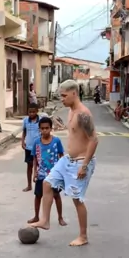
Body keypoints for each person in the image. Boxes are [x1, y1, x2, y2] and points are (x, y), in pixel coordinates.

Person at [32, 79, 98, 247]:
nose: (61, 99)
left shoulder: (83, 114)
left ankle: (83, 236)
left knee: (77, 199)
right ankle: (45, 220)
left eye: (64, 96)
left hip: (81, 161)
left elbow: (94, 140)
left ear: (74, 93)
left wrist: (84, 166)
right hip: (68, 159)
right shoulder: (70, 111)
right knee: (47, 183)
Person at [28, 117, 67, 227]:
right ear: (39, 129)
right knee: (38, 196)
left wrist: (62, 172)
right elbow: (35, 158)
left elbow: (61, 156)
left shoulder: (56, 141)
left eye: (47, 128)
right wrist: (35, 172)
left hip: (54, 175)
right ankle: (36, 216)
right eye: (42, 128)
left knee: (56, 195)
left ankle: (60, 217)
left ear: (51, 128)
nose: (45, 130)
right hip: (41, 175)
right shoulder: (36, 142)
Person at [21, 101, 40, 192]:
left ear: (37, 111)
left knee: (40, 166)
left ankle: (40, 185)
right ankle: (29, 185)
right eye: (30, 112)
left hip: (39, 147)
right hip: (29, 147)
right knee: (29, 166)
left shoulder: (40, 120)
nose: (31, 114)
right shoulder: (25, 120)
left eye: (33, 112)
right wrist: (22, 141)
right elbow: (24, 131)